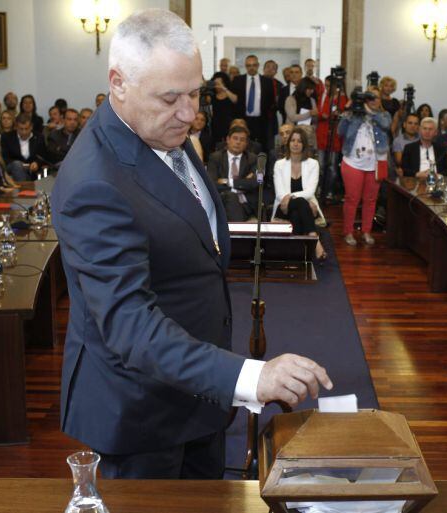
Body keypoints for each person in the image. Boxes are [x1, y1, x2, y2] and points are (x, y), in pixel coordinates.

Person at [50, 9, 332, 480]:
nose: (189, 113)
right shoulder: (93, 182)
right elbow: (129, 325)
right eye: (169, 98)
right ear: (118, 83)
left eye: (195, 93)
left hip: (201, 392)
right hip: (141, 412)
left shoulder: (159, 129)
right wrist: (249, 376)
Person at [337, 88, 391, 246]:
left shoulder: (384, 115)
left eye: (376, 98)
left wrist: (368, 111)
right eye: (370, 97)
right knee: (352, 199)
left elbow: (386, 125)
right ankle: (348, 232)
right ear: (365, 100)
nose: (374, 100)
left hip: (375, 164)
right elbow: (340, 131)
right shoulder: (354, 114)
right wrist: (349, 110)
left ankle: (366, 231)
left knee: (371, 200)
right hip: (353, 163)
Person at [272, 128, 326, 259]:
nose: (295, 144)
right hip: (283, 207)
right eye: (293, 140)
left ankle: (295, 254)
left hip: (303, 206)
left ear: (304, 144)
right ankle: (314, 239)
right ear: (288, 143)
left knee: (296, 213)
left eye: (299, 141)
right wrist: (291, 198)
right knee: (301, 203)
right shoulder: (279, 164)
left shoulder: (313, 164)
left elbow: (310, 191)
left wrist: (291, 196)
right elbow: (280, 193)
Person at [206, 125, 260, 221]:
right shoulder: (216, 158)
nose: (238, 142)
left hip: (246, 204)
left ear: (246, 143)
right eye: (235, 138)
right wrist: (241, 184)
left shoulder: (252, 159)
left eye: (242, 140)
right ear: (228, 140)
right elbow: (212, 184)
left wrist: (228, 182)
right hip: (223, 200)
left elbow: (254, 183)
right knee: (231, 197)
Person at [230, 55, 275, 148]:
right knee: (242, 146)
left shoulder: (267, 81)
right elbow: (234, 102)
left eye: (254, 65)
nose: (251, 68)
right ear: (245, 66)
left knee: (261, 147)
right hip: (243, 120)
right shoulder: (238, 80)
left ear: (258, 65)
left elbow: (271, 101)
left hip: (261, 121)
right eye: (248, 65)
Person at [316, 76, 347, 202]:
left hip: (335, 137)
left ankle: (330, 191)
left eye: (329, 86)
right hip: (322, 134)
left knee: (333, 167)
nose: (327, 88)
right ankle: (319, 189)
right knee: (320, 165)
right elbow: (319, 112)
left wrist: (334, 114)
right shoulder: (323, 96)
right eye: (326, 85)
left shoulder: (342, 98)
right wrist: (323, 115)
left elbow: (343, 115)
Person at [1, 113, 46, 181]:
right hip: (14, 166)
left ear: (31, 127)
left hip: (33, 168)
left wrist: (37, 163)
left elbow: (43, 155)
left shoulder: (39, 137)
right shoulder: (7, 137)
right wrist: (22, 165)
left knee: (45, 171)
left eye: (26, 129)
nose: (24, 132)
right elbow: (5, 158)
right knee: (17, 165)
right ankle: (24, 187)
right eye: (21, 129)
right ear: (16, 127)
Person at [284, 77, 318, 149]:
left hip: (308, 135)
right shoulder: (290, 99)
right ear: (303, 88)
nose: (312, 91)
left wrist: (315, 116)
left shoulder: (312, 100)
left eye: (312, 89)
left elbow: (315, 121)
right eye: (309, 89)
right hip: (293, 134)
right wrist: (309, 113)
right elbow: (292, 117)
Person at [209, 72, 236, 145]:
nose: (218, 86)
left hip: (229, 125)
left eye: (220, 83)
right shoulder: (212, 96)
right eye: (216, 83)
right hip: (215, 126)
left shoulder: (229, 94)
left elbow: (235, 100)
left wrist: (223, 88)